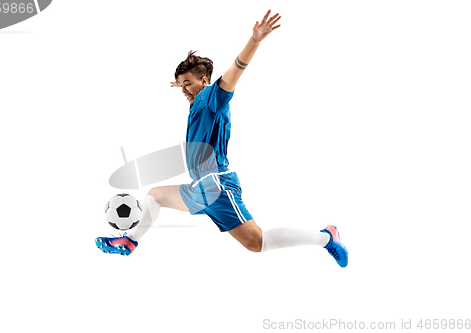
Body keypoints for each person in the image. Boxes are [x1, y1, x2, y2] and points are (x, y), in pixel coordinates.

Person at [96, 10, 348, 267]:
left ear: (205, 81)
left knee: (258, 243)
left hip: (215, 185)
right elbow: (194, 89)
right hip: (200, 187)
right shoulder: (199, 102)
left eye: (187, 84)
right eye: (180, 85)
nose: (183, 90)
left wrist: (255, 40)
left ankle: (327, 238)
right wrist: (182, 84)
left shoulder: (210, 97)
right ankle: (130, 241)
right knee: (155, 195)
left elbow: (234, 71)